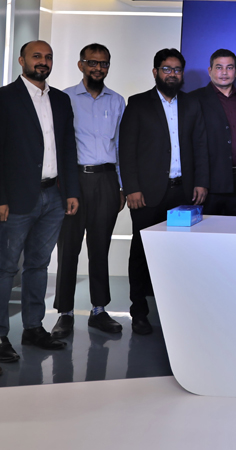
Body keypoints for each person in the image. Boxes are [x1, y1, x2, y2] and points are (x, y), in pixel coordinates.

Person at [119, 48, 209, 335]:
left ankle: (177, 312)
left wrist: (201, 182)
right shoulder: (138, 103)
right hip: (147, 195)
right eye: (166, 69)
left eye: (177, 69)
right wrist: (131, 188)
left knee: (181, 256)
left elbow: (200, 145)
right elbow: (126, 150)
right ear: (155, 72)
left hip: (183, 193)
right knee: (141, 253)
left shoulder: (192, 103)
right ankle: (139, 312)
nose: (172, 74)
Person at [0, 40, 80, 362]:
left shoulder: (60, 100)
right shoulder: (5, 98)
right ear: (22, 60)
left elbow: (68, 148)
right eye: (36, 56)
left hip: (54, 196)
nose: (43, 61)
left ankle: (33, 328)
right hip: (16, 198)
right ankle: (0, 336)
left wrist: (71, 191)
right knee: (6, 268)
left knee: (38, 264)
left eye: (48, 57)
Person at [51, 43, 126, 339]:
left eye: (103, 63)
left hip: (106, 180)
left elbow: (120, 146)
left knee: (100, 247)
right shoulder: (64, 98)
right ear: (81, 65)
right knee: (68, 248)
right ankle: (65, 313)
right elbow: (56, 144)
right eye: (92, 62)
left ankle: (99, 310)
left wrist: (121, 186)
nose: (98, 68)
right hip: (73, 181)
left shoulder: (117, 101)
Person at [192, 49, 236, 216]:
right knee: (207, 231)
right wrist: (199, 182)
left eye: (229, 67)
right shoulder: (195, 99)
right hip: (209, 184)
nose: (224, 72)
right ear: (210, 70)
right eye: (219, 67)